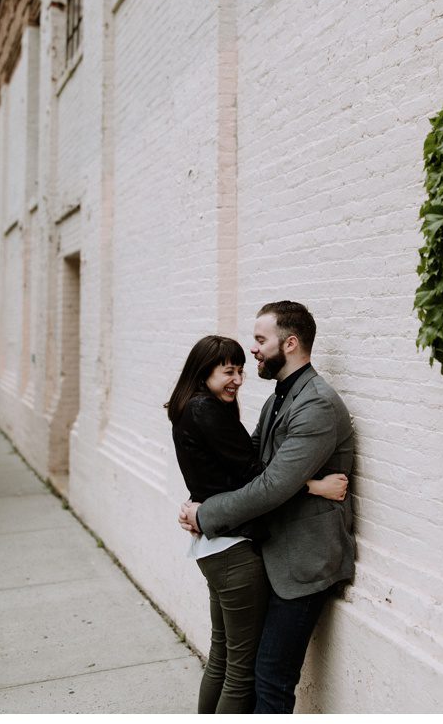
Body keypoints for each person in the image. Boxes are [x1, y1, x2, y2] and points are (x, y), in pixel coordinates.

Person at [179, 302, 357, 713]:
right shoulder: (279, 398)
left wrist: (205, 515)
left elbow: (272, 486)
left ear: (290, 343)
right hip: (272, 552)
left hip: (303, 564)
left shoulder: (315, 405)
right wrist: (199, 502)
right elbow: (253, 464)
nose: (253, 350)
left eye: (261, 340)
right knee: (249, 672)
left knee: (270, 680)